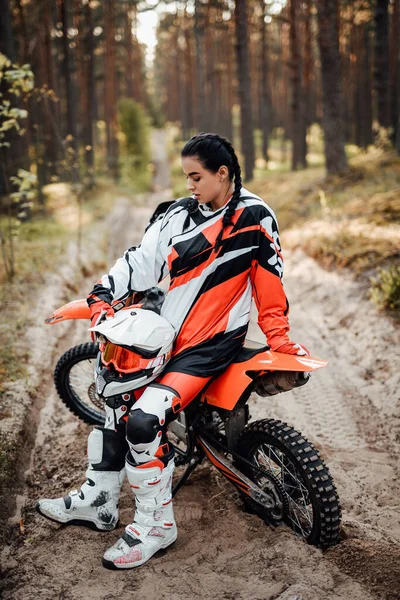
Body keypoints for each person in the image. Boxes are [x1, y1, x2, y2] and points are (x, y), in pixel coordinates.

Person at [37, 133, 309, 570]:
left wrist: (279, 339)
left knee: (145, 421)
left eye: (196, 176)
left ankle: (157, 526)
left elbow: (269, 285)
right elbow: (140, 263)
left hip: (213, 342)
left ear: (224, 173)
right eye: (185, 176)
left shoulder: (255, 216)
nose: (189, 185)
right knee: (113, 399)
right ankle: (100, 501)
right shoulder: (176, 214)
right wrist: (103, 293)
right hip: (166, 332)